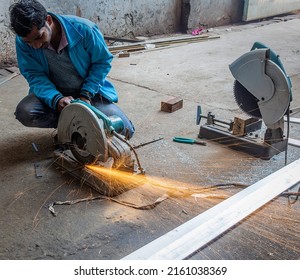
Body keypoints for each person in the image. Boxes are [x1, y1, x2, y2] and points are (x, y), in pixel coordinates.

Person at [9, 0, 135, 139]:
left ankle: (79, 126)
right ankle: (70, 127)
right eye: (29, 42)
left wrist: (86, 94)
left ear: (48, 20)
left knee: (125, 131)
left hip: (89, 92)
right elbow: (34, 75)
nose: (36, 45)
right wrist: (56, 99)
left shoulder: (85, 29)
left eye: (39, 37)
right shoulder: (22, 42)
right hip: (56, 93)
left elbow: (102, 62)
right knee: (26, 112)